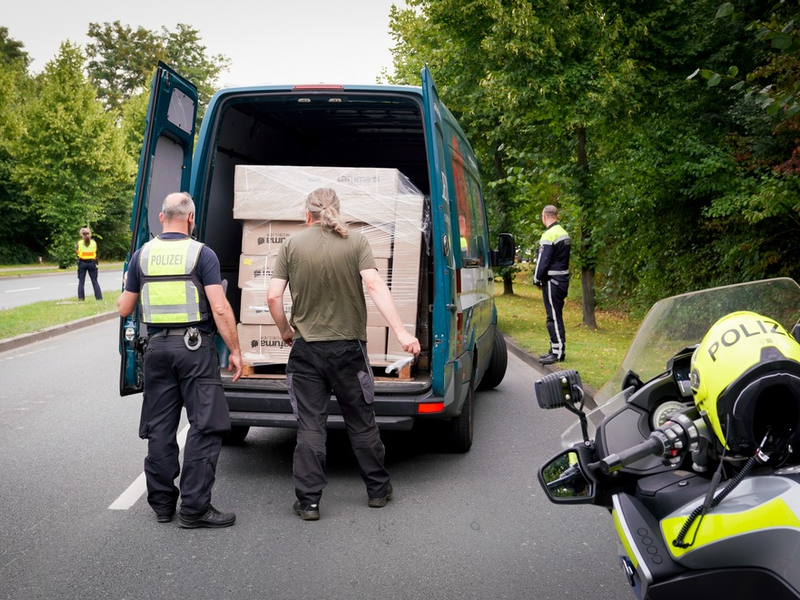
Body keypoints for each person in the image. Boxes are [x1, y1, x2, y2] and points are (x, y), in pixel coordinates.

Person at [267, 187, 420, 521]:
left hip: (306, 351)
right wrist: (402, 332)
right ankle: (377, 490)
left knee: (310, 426)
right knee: (361, 422)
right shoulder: (357, 242)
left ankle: (308, 502)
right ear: (337, 210)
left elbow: (273, 297)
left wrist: (285, 331)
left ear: (306, 213)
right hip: (349, 350)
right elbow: (376, 286)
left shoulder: (291, 245)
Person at [117, 192, 243, 528]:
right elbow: (219, 307)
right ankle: (194, 509)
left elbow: (124, 308)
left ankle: (161, 506)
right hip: (193, 349)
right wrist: (235, 349)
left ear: (162, 218)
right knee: (205, 424)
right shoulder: (202, 254)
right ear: (191, 218)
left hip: (156, 350)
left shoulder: (142, 255)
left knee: (160, 428)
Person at [533, 204, 571, 365]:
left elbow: (543, 261)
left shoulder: (549, 235)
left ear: (544, 217)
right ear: (557, 216)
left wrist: (537, 279)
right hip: (562, 280)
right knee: (556, 315)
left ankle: (557, 352)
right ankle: (554, 348)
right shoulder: (563, 233)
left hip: (552, 282)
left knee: (553, 317)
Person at [76, 227, 103, 301]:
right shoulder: (94, 243)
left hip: (82, 263)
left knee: (81, 282)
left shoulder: (79, 243)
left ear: (82, 235)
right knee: (94, 281)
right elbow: (96, 252)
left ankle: (81, 298)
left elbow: (77, 252)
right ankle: (99, 298)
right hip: (92, 263)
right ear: (90, 234)